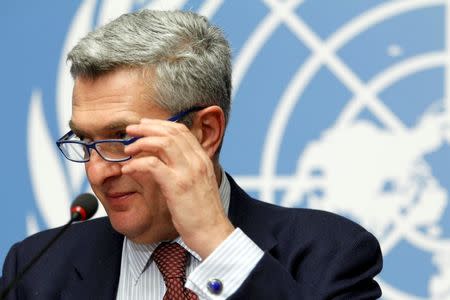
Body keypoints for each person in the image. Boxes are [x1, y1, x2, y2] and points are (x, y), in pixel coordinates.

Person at [0, 9, 382, 299]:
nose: (98, 172)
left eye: (121, 137)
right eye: (85, 140)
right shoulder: (36, 269)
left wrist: (217, 242)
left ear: (205, 132)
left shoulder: (331, 253)